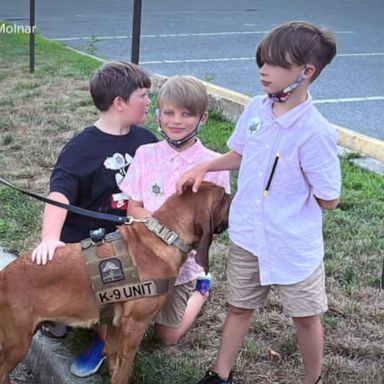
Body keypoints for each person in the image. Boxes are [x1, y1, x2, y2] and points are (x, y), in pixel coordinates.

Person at [176, 21, 341, 384]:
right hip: (248, 236)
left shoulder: (316, 133)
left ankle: (312, 379)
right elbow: (240, 152)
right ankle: (220, 374)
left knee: (305, 317)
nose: (263, 71)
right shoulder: (255, 109)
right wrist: (207, 164)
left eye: (274, 64)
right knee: (238, 307)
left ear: (306, 71)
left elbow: (330, 199)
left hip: (292, 246)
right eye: (261, 62)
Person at [31, 61, 158, 377]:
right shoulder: (81, 148)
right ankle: (100, 341)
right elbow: (59, 194)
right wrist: (50, 238)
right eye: (143, 95)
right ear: (119, 103)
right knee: (109, 287)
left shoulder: (147, 139)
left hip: (131, 239)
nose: (148, 101)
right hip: (90, 242)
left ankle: (70, 320)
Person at [119, 75, 230, 346]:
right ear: (158, 116)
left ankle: (201, 290)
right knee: (123, 322)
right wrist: (165, 230)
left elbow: (217, 221)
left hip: (183, 266)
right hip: (141, 260)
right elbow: (133, 207)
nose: (176, 120)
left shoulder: (214, 165)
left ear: (202, 118)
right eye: (169, 113)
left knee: (165, 338)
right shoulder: (145, 154)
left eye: (186, 114)